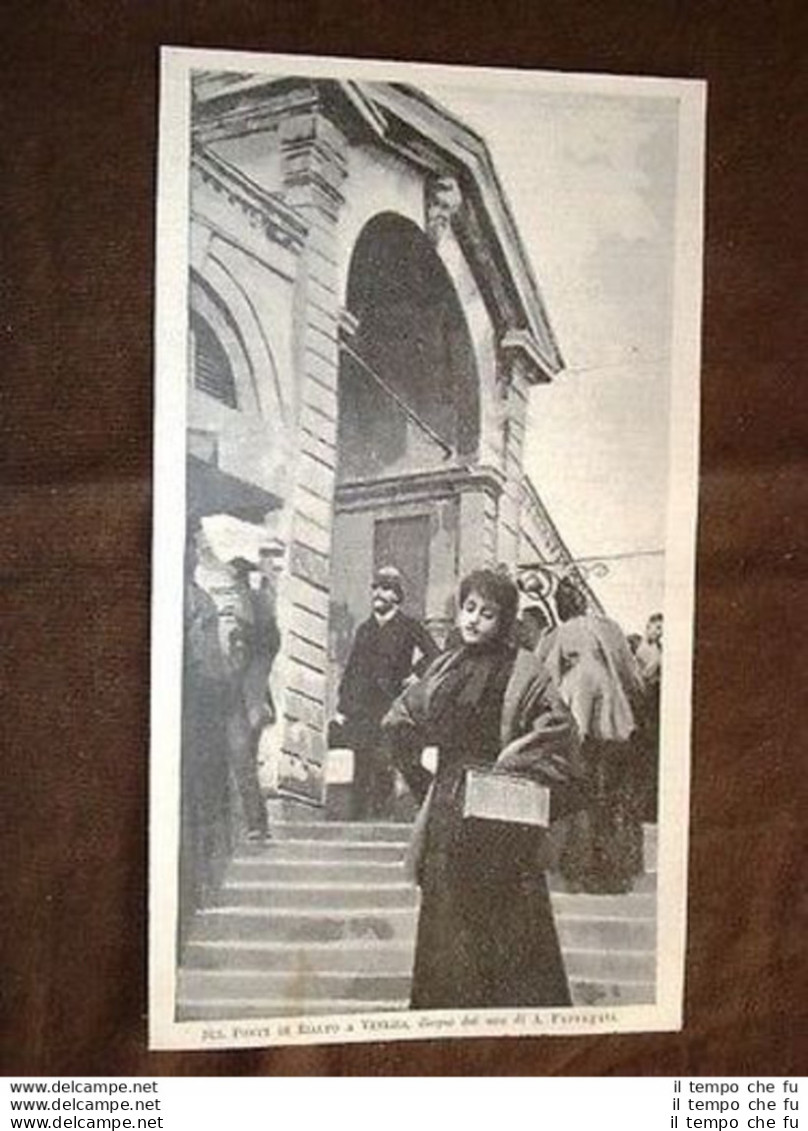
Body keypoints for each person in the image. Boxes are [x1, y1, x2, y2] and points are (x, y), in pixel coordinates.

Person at [382, 568, 583, 1010]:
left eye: (487, 613)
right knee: (448, 930)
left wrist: (516, 760)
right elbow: (399, 721)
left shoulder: (525, 669)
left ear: (505, 619)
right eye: (468, 609)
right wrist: (425, 776)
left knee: (510, 930)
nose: (473, 620)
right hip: (449, 817)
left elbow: (560, 733)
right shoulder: (443, 666)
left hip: (504, 815)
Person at [537, 577, 647, 894]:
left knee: (581, 792)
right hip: (614, 719)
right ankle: (615, 871)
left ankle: (581, 869)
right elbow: (631, 675)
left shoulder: (558, 634)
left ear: (560, 605)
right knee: (611, 795)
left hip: (578, 717)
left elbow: (546, 678)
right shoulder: (609, 628)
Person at [335, 567, 439, 820]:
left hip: (392, 703)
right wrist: (342, 707)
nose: (378, 594)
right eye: (376, 588)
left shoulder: (408, 626)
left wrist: (416, 674)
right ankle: (356, 824)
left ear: (397, 595)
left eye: (385, 588)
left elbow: (435, 655)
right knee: (361, 762)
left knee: (387, 759)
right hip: (362, 708)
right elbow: (351, 671)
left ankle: (383, 819)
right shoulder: (365, 629)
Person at [635, 613, 663, 822]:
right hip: (644, 705)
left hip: (654, 704)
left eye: (662, 629)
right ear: (648, 627)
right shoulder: (641, 650)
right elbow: (639, 678)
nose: (659, 632)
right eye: (657, 628)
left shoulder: (658, 650)